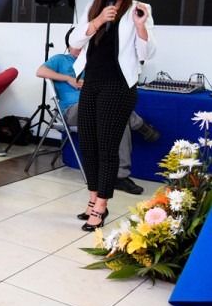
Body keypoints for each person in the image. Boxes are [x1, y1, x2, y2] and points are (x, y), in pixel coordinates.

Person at [68, 0, 155, 231]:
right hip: (91, 83)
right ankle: (92, 199)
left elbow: (146, 54)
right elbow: (74, 42)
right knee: (89, 147)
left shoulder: (139, 10)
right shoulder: (93, 8)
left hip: (119, 86)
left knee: (107, 149)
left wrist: (141, 26)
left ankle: (102, 207)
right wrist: (96, 21)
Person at [37, 28, 160, 196]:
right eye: (77, 45)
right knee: (112, 109)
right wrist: (69, 79)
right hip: (72, 110)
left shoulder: (91, 61)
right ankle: (140, 125)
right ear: (69, 44)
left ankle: (120, 176)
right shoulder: (60, 59)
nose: (80, 49)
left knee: (118, 117)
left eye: (84, 45)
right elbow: (40, 71)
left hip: (96, 105)